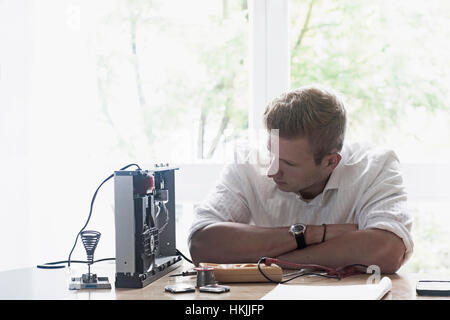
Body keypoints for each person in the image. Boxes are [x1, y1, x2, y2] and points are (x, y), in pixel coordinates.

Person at [188, 85, 413, 274]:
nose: (271, 171)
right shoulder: (248, 163)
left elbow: (388, 250)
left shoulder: (375, 166)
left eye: (288, 163)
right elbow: (201, 244)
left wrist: (276, 260)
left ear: (330, 162)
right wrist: (313, 234)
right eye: (271, 153)